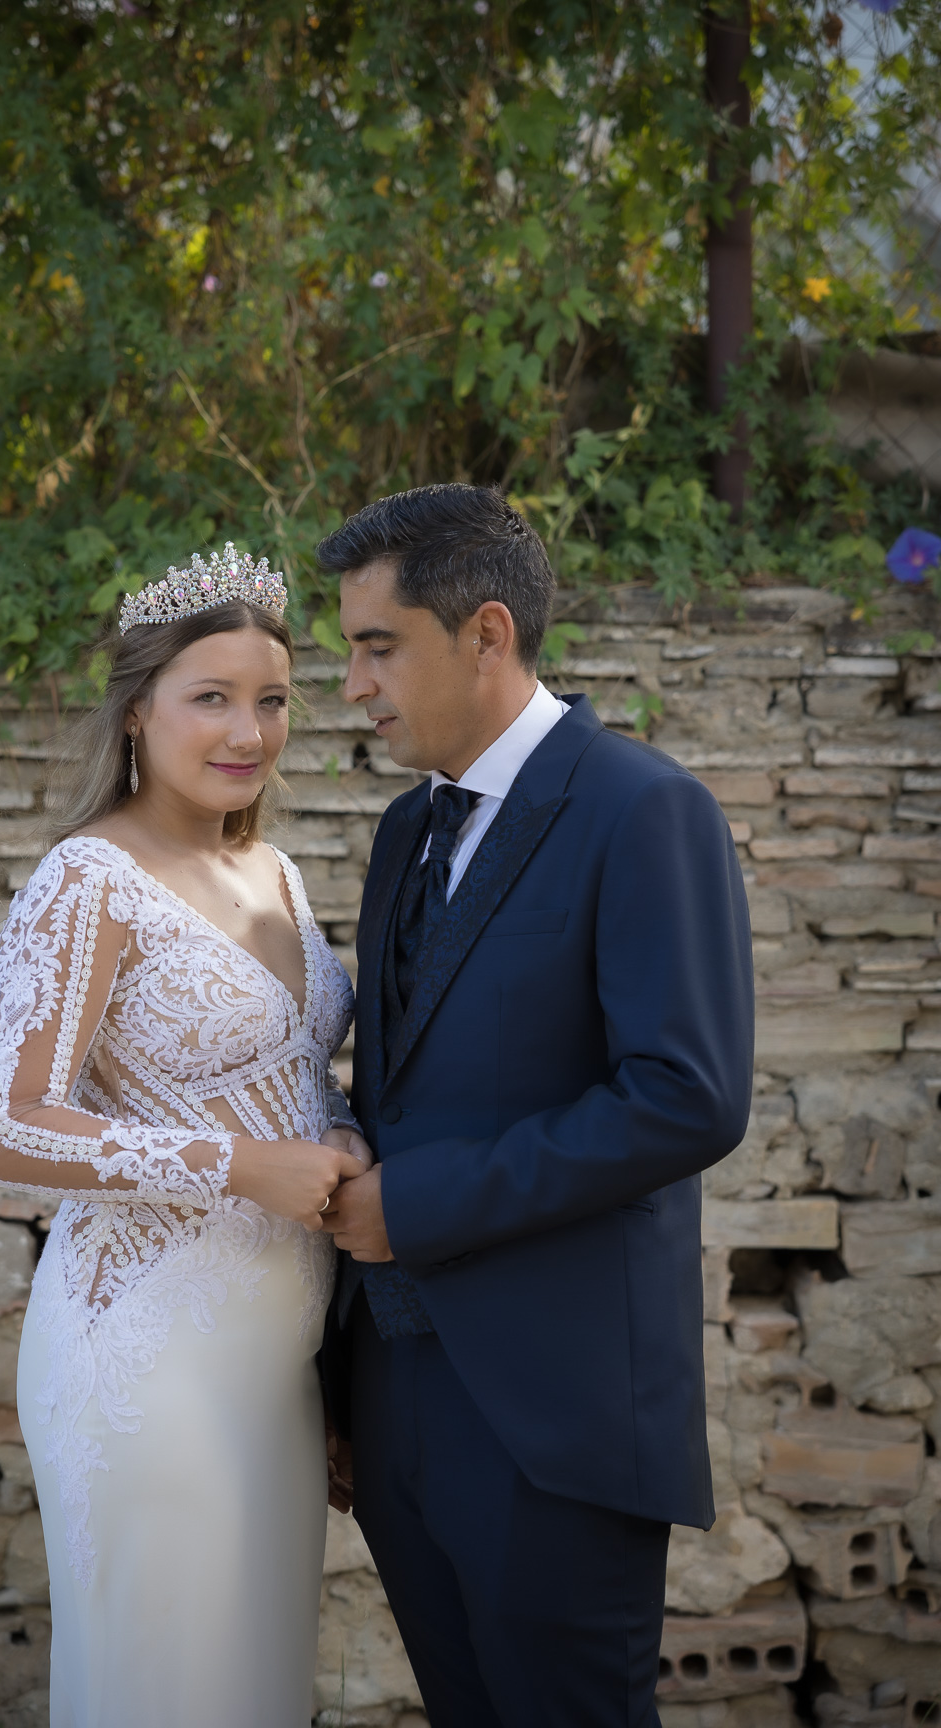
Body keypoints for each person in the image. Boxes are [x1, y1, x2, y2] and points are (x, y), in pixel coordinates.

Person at [316, 486, 755, 1728]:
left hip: (555, 1424)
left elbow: (690, 1097)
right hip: (398, 1404)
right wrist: (348, 1386)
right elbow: (400, 1092)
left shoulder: (644, 809)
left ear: (487, 634)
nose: (353, 686)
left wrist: (425, 1203)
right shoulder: (407, 831)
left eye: (376, 646)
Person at [0, 545, 370, 1728]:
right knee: (169, 1691)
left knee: (254, 1689)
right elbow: (2, 1127)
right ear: (139, 710)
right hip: (146, 1352)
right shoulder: (87, 879)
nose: (249, 730)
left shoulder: (279, 874)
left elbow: (301, 1080)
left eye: (273, 698)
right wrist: (244, 1166)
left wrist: (341, 1148)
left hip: (277, 1361)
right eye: (213, 697)